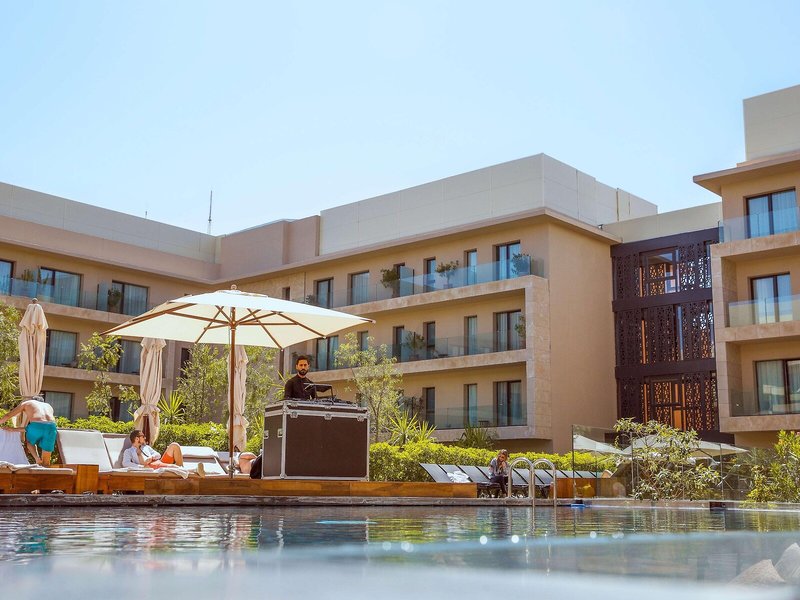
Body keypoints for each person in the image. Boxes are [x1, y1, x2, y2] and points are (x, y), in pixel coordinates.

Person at [0, 397, 57, 466]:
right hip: (52, 427)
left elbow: (8, 415)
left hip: (36, 426)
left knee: (30, 442)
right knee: (46, 461)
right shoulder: (48, 406)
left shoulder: (27, 403)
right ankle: (45, 465)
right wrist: (13, 429)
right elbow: (40, 426)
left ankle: (37, 458)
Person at [122, 430, 203, 475]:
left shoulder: (146, 447)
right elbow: (125, 463)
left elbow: (158, 454)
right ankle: (194, 470)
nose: (145, 438)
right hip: (151, 466)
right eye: (143, 436)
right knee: (172, 466)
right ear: (137, 439)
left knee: (174, 445)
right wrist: (141, 467)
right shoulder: (129, 451)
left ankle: (182, 470)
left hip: (158, 462)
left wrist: (152, 457)